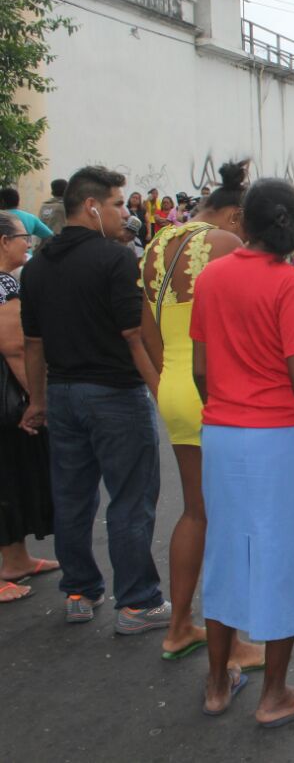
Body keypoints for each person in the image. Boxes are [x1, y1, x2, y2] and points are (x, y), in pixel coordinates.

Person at [191, 177, 294, 725]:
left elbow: (202, 370)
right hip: (285, 442)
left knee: (227, 554)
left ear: (243, 222)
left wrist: (227, 412)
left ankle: (215, 683)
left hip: (224, 437)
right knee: (285, 562)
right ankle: (274, 694)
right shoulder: (291, 284)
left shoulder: (212, 277)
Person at [18, 166, 169, 630]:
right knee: (130, 497)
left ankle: (80, 591)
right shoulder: (115, 259)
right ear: (91, 207)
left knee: (73, 497)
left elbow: (34, 344)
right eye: (118, 204)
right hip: (115, 394)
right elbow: (133, 336)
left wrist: (37, 400)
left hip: (62, 394)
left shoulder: (38, 264)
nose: (125, 213)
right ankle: (137, 602)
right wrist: (162, 392)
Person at [138, 162, 265, 667]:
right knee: (230, 518)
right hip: (213, 388)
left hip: (171, 383)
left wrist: (164, 380)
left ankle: (178, 627)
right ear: (235, 215)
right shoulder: (224, 245)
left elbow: (144, 327)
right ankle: (229, 644)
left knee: (196, 511)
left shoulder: (155, 244)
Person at [0, 212, 57, 604]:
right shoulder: (3, 284)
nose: (29, 243)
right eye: (23, 237)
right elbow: (15, 347)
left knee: (11, 476)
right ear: (3, 242)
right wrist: (38, 399)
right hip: (5, 399)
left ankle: (15, 558)